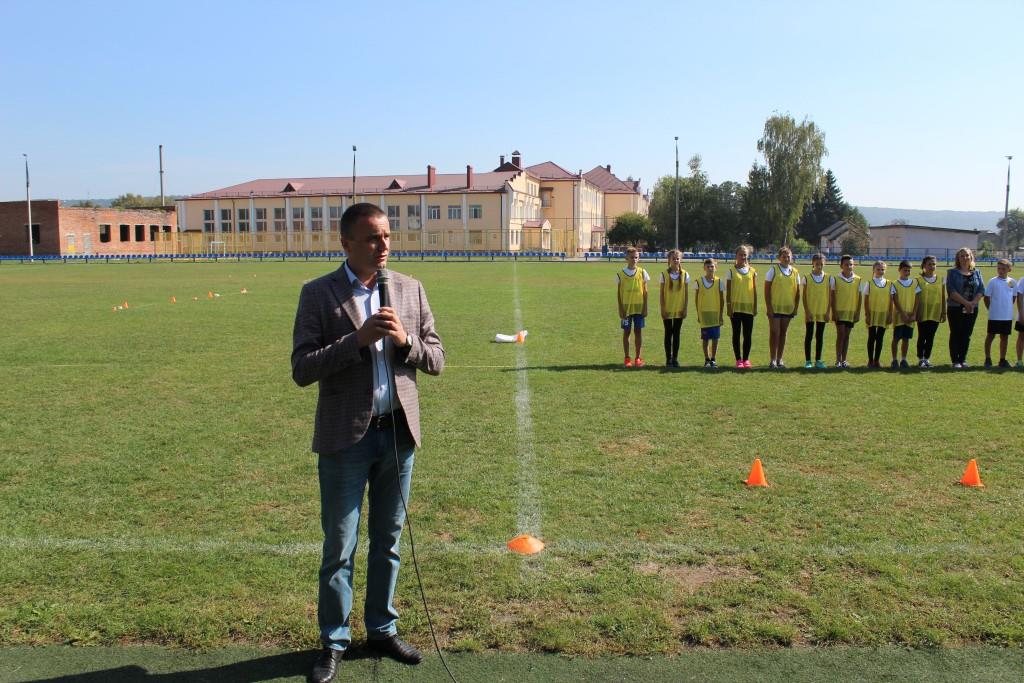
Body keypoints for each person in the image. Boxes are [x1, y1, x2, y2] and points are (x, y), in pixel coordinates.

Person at [291, 203, 445, 683]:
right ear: (346, 243)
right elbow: (302, 368)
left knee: (388, 540)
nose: (383, 246)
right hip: (345, 440)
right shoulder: (318, 293)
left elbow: (437, 358)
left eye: (387, 236)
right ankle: (333, 641)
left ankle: (381, 629)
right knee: (340, 546)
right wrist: (355, 341)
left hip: (397, 435)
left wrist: (406, 342)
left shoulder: (409, 288)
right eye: (373, 238)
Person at [946, 247, 985, 369]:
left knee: (966, 334)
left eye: (967, 255)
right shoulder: (952, 273)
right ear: (958, 258)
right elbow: (951, 291)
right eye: (962, 256)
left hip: (972, 308)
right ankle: (955, 361)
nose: (965, 258)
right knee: (956, 333)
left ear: (971, 257)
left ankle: (963, 359)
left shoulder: (977, 273)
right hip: (955, 308)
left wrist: (973, 303)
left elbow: (981, 289)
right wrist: (966, 303)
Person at [764, 246, 800, 369]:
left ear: (791, 257)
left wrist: (795, 308)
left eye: (788, 256)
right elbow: (767, 291)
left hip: (788, 308)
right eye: (784, 256)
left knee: (783, 333)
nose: (786, 258)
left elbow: (798, 292)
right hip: (775, 308)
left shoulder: (795, 272)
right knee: (774, 332)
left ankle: (780, 359)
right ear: (779, 258)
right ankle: (772, 360)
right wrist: (769, 308)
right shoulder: (773, 270)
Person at [726, 244, 757, 369]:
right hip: (735, 308)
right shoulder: (731, 271)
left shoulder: (753, 271)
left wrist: (755, 306)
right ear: (736, 256)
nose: (743, 257)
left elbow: (754, 290)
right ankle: (738, 360)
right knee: (736, 334)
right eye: (741, 254)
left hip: (748, 308)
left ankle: (746, 359)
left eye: (745, 255)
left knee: (747, 335)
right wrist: (729, 307)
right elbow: (728, 291)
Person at [617, 246, 649, 368]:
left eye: (636, 257)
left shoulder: (643, 272)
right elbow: (619, 293)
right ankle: (627, 358)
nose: (634, 259)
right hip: (626, 309)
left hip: (639, 308)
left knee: (638, 332)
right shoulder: (621, 274)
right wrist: (620, 309)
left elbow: (645, 292)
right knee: (626, 332)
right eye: (631, 257)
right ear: (626, 258)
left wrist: (645, 307)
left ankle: (638, 358)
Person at [983, 259, 1016, 368]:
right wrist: (991, 309)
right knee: (991, 336)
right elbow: (986, 297)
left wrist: (1007, 308)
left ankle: (1002, 360)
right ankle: (988, 359)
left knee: (1004, 337)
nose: (1000, 271)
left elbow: (1013, 297)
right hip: (994, 315)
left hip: (1007, 316)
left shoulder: (1012, 282)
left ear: (1009, 269)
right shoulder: (993, 281)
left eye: (1003, 269)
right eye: (999, 269)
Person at [829, 254, 861, 368]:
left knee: (847, 336)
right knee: (841, 335)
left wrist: (857, 313)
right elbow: (832, 297)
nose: (849, 266)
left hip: (851, 311)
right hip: (840, 311)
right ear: (841, 266)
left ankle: (844, 360)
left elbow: (859, 297)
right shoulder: (835, 279)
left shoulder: (858, 279)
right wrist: (834, 312)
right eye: (846, 264)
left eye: (851, 264)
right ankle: (838, 360)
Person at [914, 255, 946, 368]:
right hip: (922, 312)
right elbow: (916, 298)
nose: (932, 266)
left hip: (935, 312)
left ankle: (927, 358)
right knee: (922, 336)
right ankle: (920, 359)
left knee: (930, 336)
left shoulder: (941, 279)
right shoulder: (918, 280)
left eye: (934, 264)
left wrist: (944, 312)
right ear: (924, 266)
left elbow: (943, 296)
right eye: (929, 264)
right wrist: (916, 312)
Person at [660, 248, 689, 367]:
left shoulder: (685, 274)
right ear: (669, 260)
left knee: (676, 334)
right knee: (668, 333)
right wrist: (662, 309)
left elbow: (686, 294)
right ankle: (668, 359)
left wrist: (685, 308)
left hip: (679, 309)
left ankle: (675, 358)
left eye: (678, 258)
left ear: (680, 260)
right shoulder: (664, 274)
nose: (676, 260)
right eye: (674, 259)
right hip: (667, 308)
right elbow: (661, 294)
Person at [889, 260, 921, 368]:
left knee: (906, 339)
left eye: (908, 270)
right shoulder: (895, 284)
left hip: (910, 317)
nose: (907, 272)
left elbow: (917, 299)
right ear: (899, 270)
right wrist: (902, 313)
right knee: (896, 338)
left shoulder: (914, 283)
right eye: (904, 270)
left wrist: (914, 313)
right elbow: (895, 300)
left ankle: (903, 359)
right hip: (899, 316)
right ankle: (894, 360)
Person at [694, 257, 725, 368]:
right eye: (708, 266)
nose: (710, 268)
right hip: (704, 314)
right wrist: (698, 314)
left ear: (715, 267)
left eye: (712, 266)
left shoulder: (719, 281)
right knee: (705, 338)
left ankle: (713, 359)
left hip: (715, 314)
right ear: (704, 268)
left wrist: (721, 315)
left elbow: (722, 300)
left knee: (715, 338)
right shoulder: (699, 281)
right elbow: (696, 299)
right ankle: (706, 359)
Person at [801, 253, 830, 369]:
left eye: (821, 264)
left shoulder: (828, 278)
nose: (819, 266)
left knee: (820, 336)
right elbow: (804, 297)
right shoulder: (807, 278)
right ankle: (808, 361)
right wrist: (807, 311)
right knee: (809, 335)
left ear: (824, 263)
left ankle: (818, 360)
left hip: (822, 311)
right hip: (810, 311)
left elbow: (830, 297)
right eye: (817, 263)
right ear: (813, 263)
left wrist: (828, 312)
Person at [861, 260, 892, 368]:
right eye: (878, 269)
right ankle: (870, 361)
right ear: (873, 270)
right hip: (872, 313)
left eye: (882, 269)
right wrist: (867, 314)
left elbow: (891, 301)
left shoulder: (889, 283)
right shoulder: (869, 283)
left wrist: (890, 314)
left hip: (883, 314)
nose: (880, 271)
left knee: (880, 338)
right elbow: (866, 300)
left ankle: (877, 360)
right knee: (871, 337)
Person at [1017, 275, 1024, 368]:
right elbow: (1019, 297)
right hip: (1023, 315)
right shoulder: (1023, 280)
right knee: (1021, 337)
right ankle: (1019, 361)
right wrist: (1021, 313)